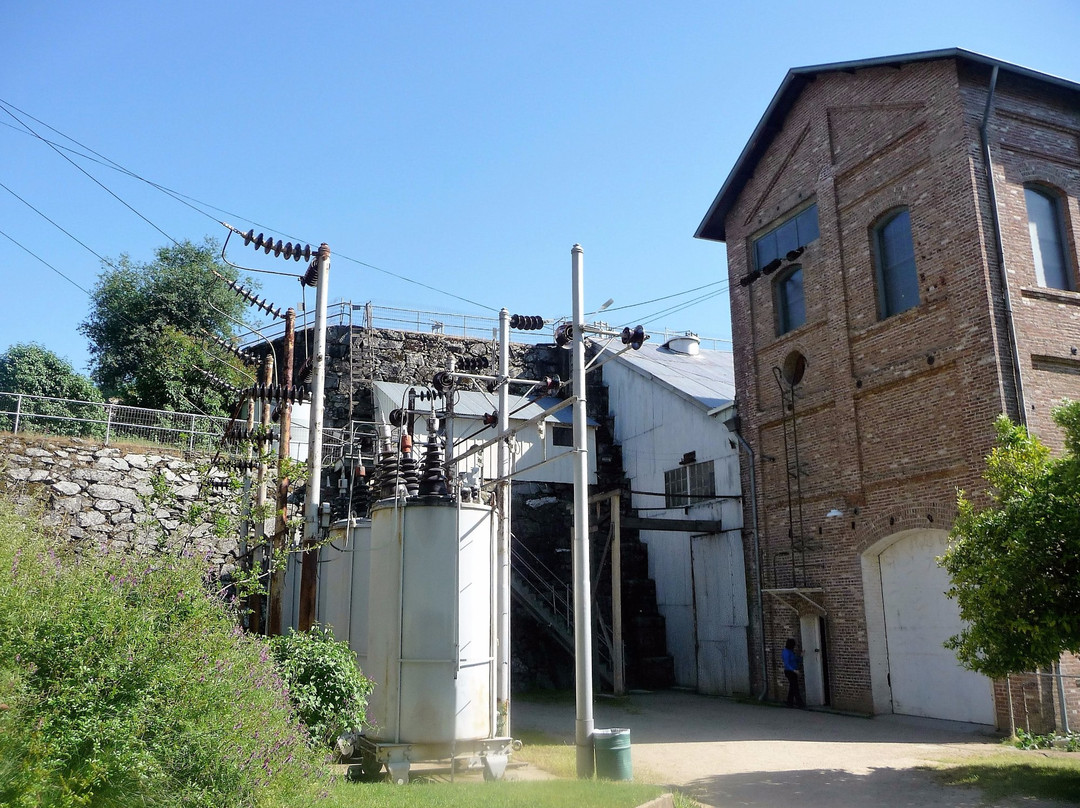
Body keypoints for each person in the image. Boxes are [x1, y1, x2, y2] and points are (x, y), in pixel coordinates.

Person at [782, 638, 804, 708]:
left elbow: (796, 660)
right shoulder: (786, 652)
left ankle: (789, 702)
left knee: (792, 687)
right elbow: (786, 664)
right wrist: (794, 670)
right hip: (789, 671)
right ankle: (800, 703)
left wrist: (801, 656)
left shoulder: (791, 652)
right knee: (795, 687)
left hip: (793, 671)